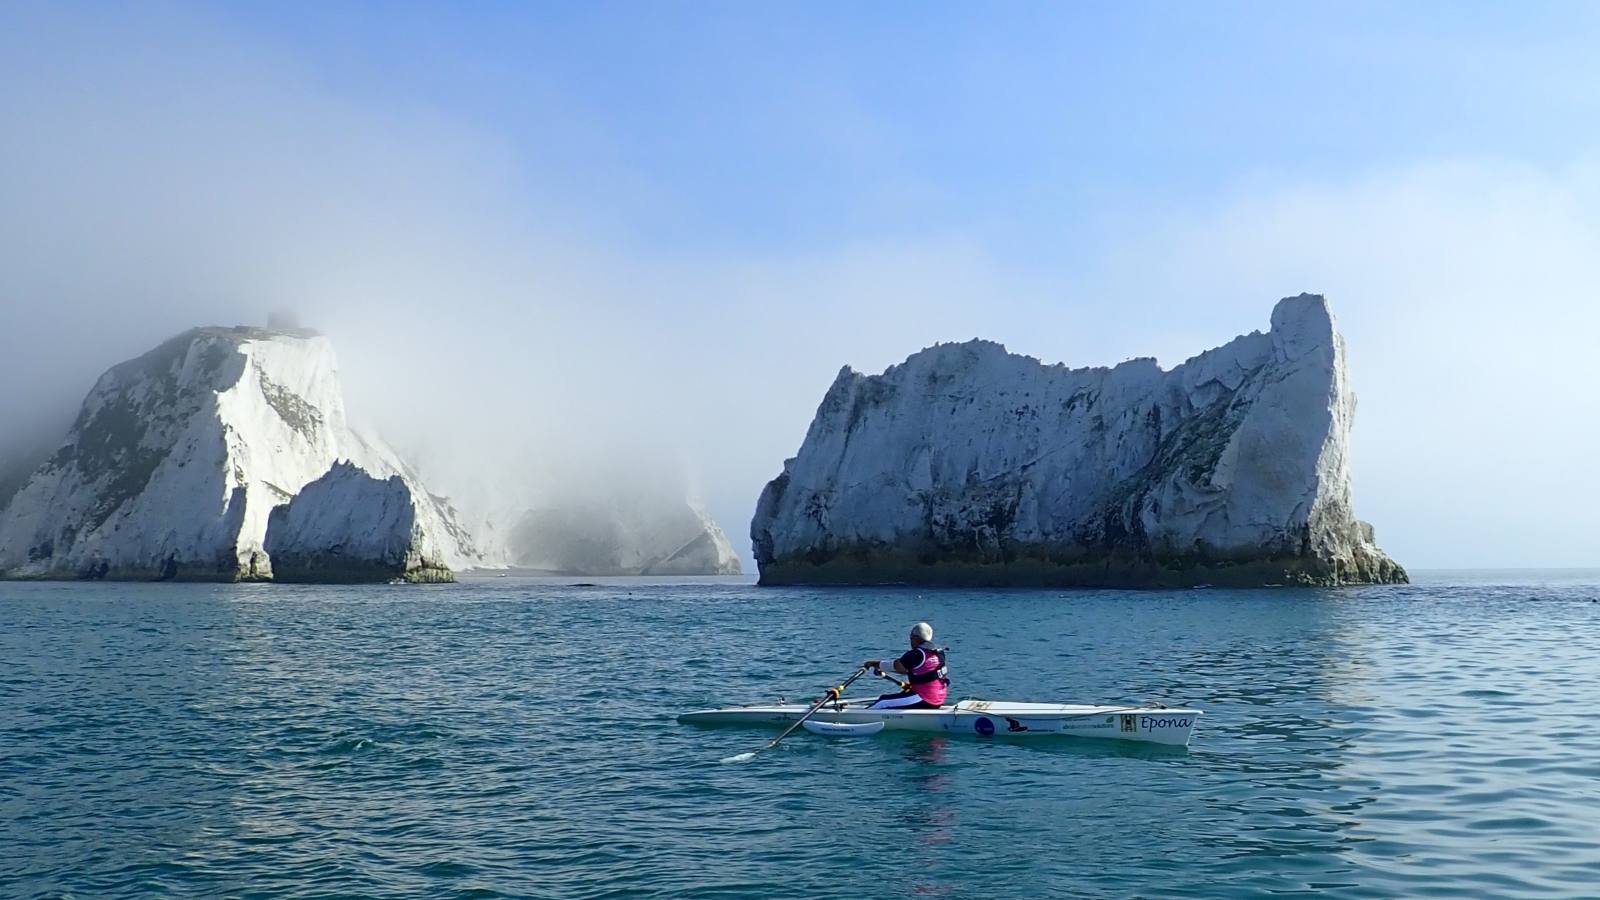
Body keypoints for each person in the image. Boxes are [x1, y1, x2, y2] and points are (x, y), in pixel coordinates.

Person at [861, 622, 949, 709]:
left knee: (882, 701)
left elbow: (896, 666)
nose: (910, 641)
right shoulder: (938, 653)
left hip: (924, 698)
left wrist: (873, 664)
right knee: (899, 696)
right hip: (939, 698)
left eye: (911, 638)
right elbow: (919, 671)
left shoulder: (916, 654)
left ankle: (860, 718)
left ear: (916, 638)